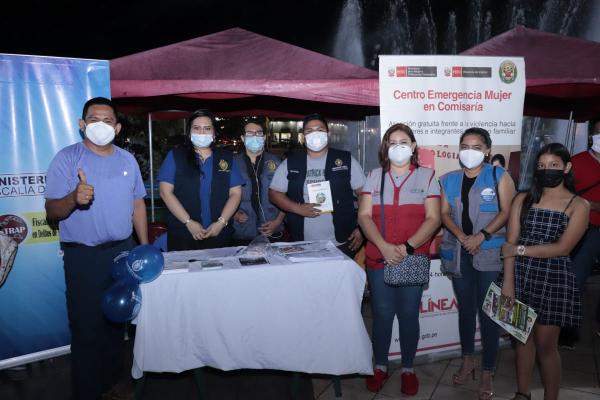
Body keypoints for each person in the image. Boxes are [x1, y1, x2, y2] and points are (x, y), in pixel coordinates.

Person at [44, 97, 148, 400]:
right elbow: (52, 211)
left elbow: (138, 204)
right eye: (93, 119)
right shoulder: (66, 159)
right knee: (87, 329)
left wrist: (144, 249)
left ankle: (113, 383)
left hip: (123, 253)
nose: (100, 125)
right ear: (81, 124)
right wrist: (73, 198)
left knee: (118, 325)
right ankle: (88, 392)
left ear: (116, 127)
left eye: (107, 121)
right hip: (84, 258)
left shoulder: (127, 160)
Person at [500, 143, 589, 400]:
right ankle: (522, 393)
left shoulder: (578, 205)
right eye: (540, 166)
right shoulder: (522, 198)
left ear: (567, 168)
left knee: (546, 346)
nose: (546, 170)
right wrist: (508, 283)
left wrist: (520, 251)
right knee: (521, 340)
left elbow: (562, 248)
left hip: (554, 279)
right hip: (520, 276)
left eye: (553, 165)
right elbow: (509, 244)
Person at [358, 123, 441, 396]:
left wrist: (406, 247)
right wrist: (382, 245)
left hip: (412, 257)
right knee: (381, 315)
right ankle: (380, 366)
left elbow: (433, 219)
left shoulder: (428, 177)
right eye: (392, 142)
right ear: (385, 147)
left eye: (404, 141)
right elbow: (364, 217)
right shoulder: (372, 176)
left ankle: (408, 369)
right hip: (378, 258)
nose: (398, 147)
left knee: (408, 316)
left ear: (414, 146)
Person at [439, 127, 515, 400]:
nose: (469, 151)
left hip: (490, 254)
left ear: (487, 151)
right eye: (464, 145)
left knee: (489, 314)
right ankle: (468, 359)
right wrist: (462, 236)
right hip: (460, 253)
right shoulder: (447, 179)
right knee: (466, 312)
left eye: (476, 146)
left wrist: (481, 236)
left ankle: (487, 369)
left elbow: (508, 212)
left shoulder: (499, 176)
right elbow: (444, 214)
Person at [269, 113, 365, 257]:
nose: (315, 134)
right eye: (309, 131)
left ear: (328, 133)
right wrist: (297, 208)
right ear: (303, 136)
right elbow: (274, 193)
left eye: (319, 130)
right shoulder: (291, 162)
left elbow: (364, 194)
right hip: (302, 244)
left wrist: (362, 227)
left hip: (341, 242)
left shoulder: (345, 160)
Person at [158, 109, 243, 250]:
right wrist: (188, 222)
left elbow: (236, 193)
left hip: (219, 234)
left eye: (207, 128)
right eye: (197, 128)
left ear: (214, 133)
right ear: (190, 133)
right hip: (183, 234)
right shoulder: (176, 156)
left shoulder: (226, 157)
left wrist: (221, 223)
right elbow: (165, 193)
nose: (202, 133)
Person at [559, 118, 600, 348]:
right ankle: (567, 330)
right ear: (592, 135)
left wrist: (590, 204)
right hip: (583, 230)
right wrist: (589, 207)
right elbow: (563, 195)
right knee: (574, 279)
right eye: (598, 132)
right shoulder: (576, 163)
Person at [232, 121, 285, 245]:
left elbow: (287, 195)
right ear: (242, 138)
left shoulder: (277, 162)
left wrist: (277, 222)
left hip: (272, 229)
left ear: (264, 137)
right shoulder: (233, 164)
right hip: (242, 231)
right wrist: (234, 214)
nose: (255, 136)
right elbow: (222, 194)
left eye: (259, 133)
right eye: (250, 134)